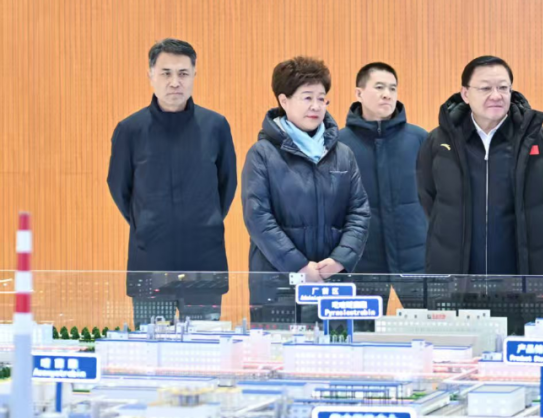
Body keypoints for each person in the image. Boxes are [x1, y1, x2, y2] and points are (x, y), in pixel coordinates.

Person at [107, 38, 237, 325]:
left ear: (194, 75)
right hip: (150, 259)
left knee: (203, 347)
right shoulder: (130, 130)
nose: (175, 82)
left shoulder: (216, 126)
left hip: (204, 260)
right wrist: (148, 222)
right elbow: (120, 187)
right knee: (152, 348)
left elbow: (226, 186)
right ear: (151, 75)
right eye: (166, 73)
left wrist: (205, 220)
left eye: (183, 73)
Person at [242, 56, 370, 322]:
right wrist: (298, 266)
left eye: (321, 98)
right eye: (307, 97)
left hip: (331, 281)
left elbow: (359, 212)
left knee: (333, 348)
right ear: (284, 101)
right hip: (278, 285)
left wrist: (340, 259)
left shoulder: (343, 154)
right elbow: (258, 218)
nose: (316, 106)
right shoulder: (262, 154)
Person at [417, 56, 543, 276]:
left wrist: (534, 240)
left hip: (523, 275)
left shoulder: (539, 140)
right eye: (485, 88)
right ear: (465, 94)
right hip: (455, 274)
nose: (496, 96)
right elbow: (429, 198)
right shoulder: (438, 142)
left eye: (503, 88)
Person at [337, 62, 427, 311]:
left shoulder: (420, 139)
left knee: (430, 327)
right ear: (359, 93)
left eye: (392, 88)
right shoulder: (338, 144)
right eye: (379, 87)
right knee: (360, 330)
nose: (387, 94)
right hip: (361, 261)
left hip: (416, 258)